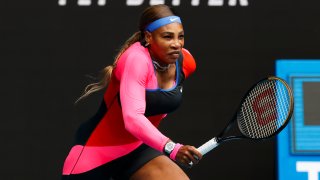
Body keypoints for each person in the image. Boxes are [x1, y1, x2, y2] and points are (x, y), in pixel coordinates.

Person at [61, 4, 202, 180]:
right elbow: (132, 119)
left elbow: (160, 103)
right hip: (95, 153)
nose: (176, 44)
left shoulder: (185, 62)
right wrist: (172, 148)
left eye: (180, 37)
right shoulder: (136, 60)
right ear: (149, 37)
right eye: (167, 37)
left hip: (137, 150)